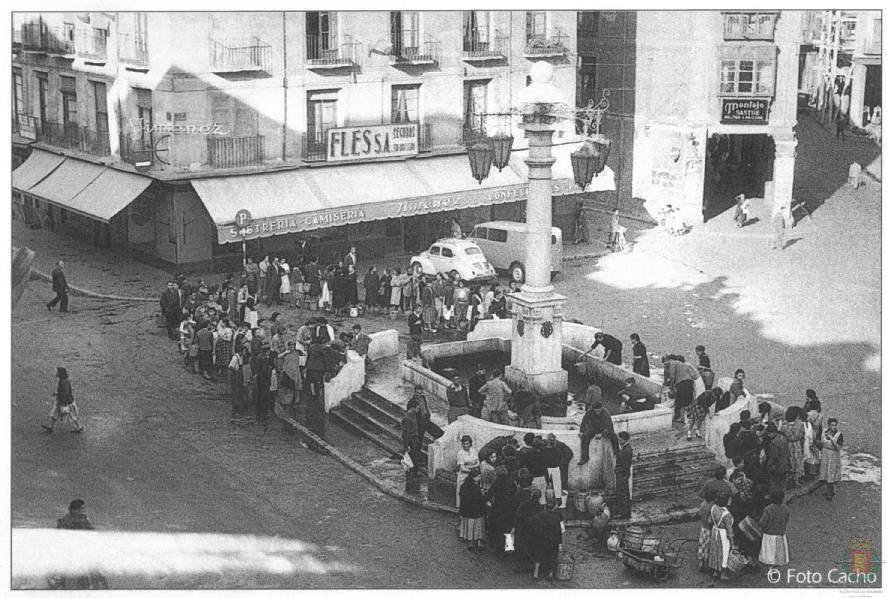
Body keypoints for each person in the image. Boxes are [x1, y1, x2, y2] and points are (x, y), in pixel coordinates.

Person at [52, 499, 108, 589]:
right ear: (75, 509)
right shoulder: (68, 521)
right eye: (82, 508)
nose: (84, 510)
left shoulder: (81, 519)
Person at [484, 465, 517, 555]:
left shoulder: (497, 483)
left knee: (496, 528)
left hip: (499, 508)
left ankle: (498, 549)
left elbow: (490, 494)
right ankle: (509, 548)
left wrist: (484, 498)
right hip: (510, 508)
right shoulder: (512, 482)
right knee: (507, 529)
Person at [42, 367, 83, 433]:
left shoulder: (63, 382)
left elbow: (65, 393)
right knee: (55, 412)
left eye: (57, 372)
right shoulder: (64, 380)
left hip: (65, 401)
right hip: (64, 400)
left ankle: (79, 426)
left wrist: (57, 394)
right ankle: (51, 426)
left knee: (71, 414)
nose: (56, 373)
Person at [530, 500, 563, 581]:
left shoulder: (541, 515)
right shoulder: (556, 518)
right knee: (552, 555)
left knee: (539, 555)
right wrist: (560, 544)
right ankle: (550, 574)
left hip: (541, 538)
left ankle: (536, 573)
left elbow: (531, 520)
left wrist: (537, 531)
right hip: (552, 540)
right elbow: (559, 532)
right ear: (554, 507)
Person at [758, 491, 790, 567]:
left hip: (769, 535)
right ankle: (775, 569)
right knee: (778, 554)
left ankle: (770, 570)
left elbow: (763, 522)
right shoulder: (785, 509)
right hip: (780, 534)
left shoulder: (768, 509)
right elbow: (786, 520)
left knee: (769, 554)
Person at [707, 493, 734, 580]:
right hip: (723, 534)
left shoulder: (713, 508)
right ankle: (722, 574)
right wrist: (733, 543)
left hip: (714, 531)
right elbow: (730, 531)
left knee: (715, 551)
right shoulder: (726, 514)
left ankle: (715, 571)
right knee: (724, 553)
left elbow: (709, 520)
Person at [458, 468, 485, 553]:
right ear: (474, 477)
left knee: (470, 525)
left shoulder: (464, 486)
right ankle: (478, 541)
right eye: (478, 476)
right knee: (477, 525)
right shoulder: (475, 488)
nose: (480, 478)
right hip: (476, 510)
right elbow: (480, 499)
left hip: (468, 510)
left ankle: (471, 541)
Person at [819, 418, 843, 500]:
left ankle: (829, 492)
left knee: (831, 472)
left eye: (835, 425)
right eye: (832, 425)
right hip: (825, 454)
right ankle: (830, 490)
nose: (834, 427)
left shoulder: (839, 435)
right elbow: (821, 441)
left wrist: (831, 438)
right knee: (825, 472)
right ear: (828, 425)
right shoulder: (824, 431)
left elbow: (838, 447)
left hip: (833, 455)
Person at [611, 431, 633, 519]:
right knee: (623, 494)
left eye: (620, 440)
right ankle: (625, 512)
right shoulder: (626, 449)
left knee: (622, 494)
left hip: (622, 475)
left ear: (624, 440)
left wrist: (618, 471)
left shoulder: (626, 451)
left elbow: (626, 466)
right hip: (622, 475)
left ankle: (623, 513)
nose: (619, 441)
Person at [783, 407, 806, 488]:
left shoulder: (784, 425)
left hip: (788, 444)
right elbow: (802, 435)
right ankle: (796, 480)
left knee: (790, 462)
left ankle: (790, 479)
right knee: (798, 461)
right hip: (797, 444)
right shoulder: (800, 424)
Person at [455, 435, 480, 509]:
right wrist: (473, 467)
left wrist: (469, 467)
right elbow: (462, 468)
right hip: (463, 475)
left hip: (472, 475)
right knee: (463, 491)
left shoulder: (473, 451)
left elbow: (478, 463)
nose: (465, 446)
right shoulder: (460, 453)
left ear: (470, 444)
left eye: (467, 444)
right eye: (464, 444)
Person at [401, 399, 423, 478]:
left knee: (415, 458)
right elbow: (406, 434)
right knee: (411, 459)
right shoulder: (407, 418)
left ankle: (414, 474)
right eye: (417, 408)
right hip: (411, 440)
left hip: (415, 439)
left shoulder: (413, 415)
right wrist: (406, 446)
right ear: (412, 408)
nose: (418, 410)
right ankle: (410, 477)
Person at [228, 346, 249, 416]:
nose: (245, 352)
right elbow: (230, 366)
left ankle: (239, 406)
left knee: (240, 391)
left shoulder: (241, 357)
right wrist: (236, 370)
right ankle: (235, 407)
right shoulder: (235, 358)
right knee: (235, 391)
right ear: (241, 351)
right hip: (235, 376)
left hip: (239, 376)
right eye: (244, 351)